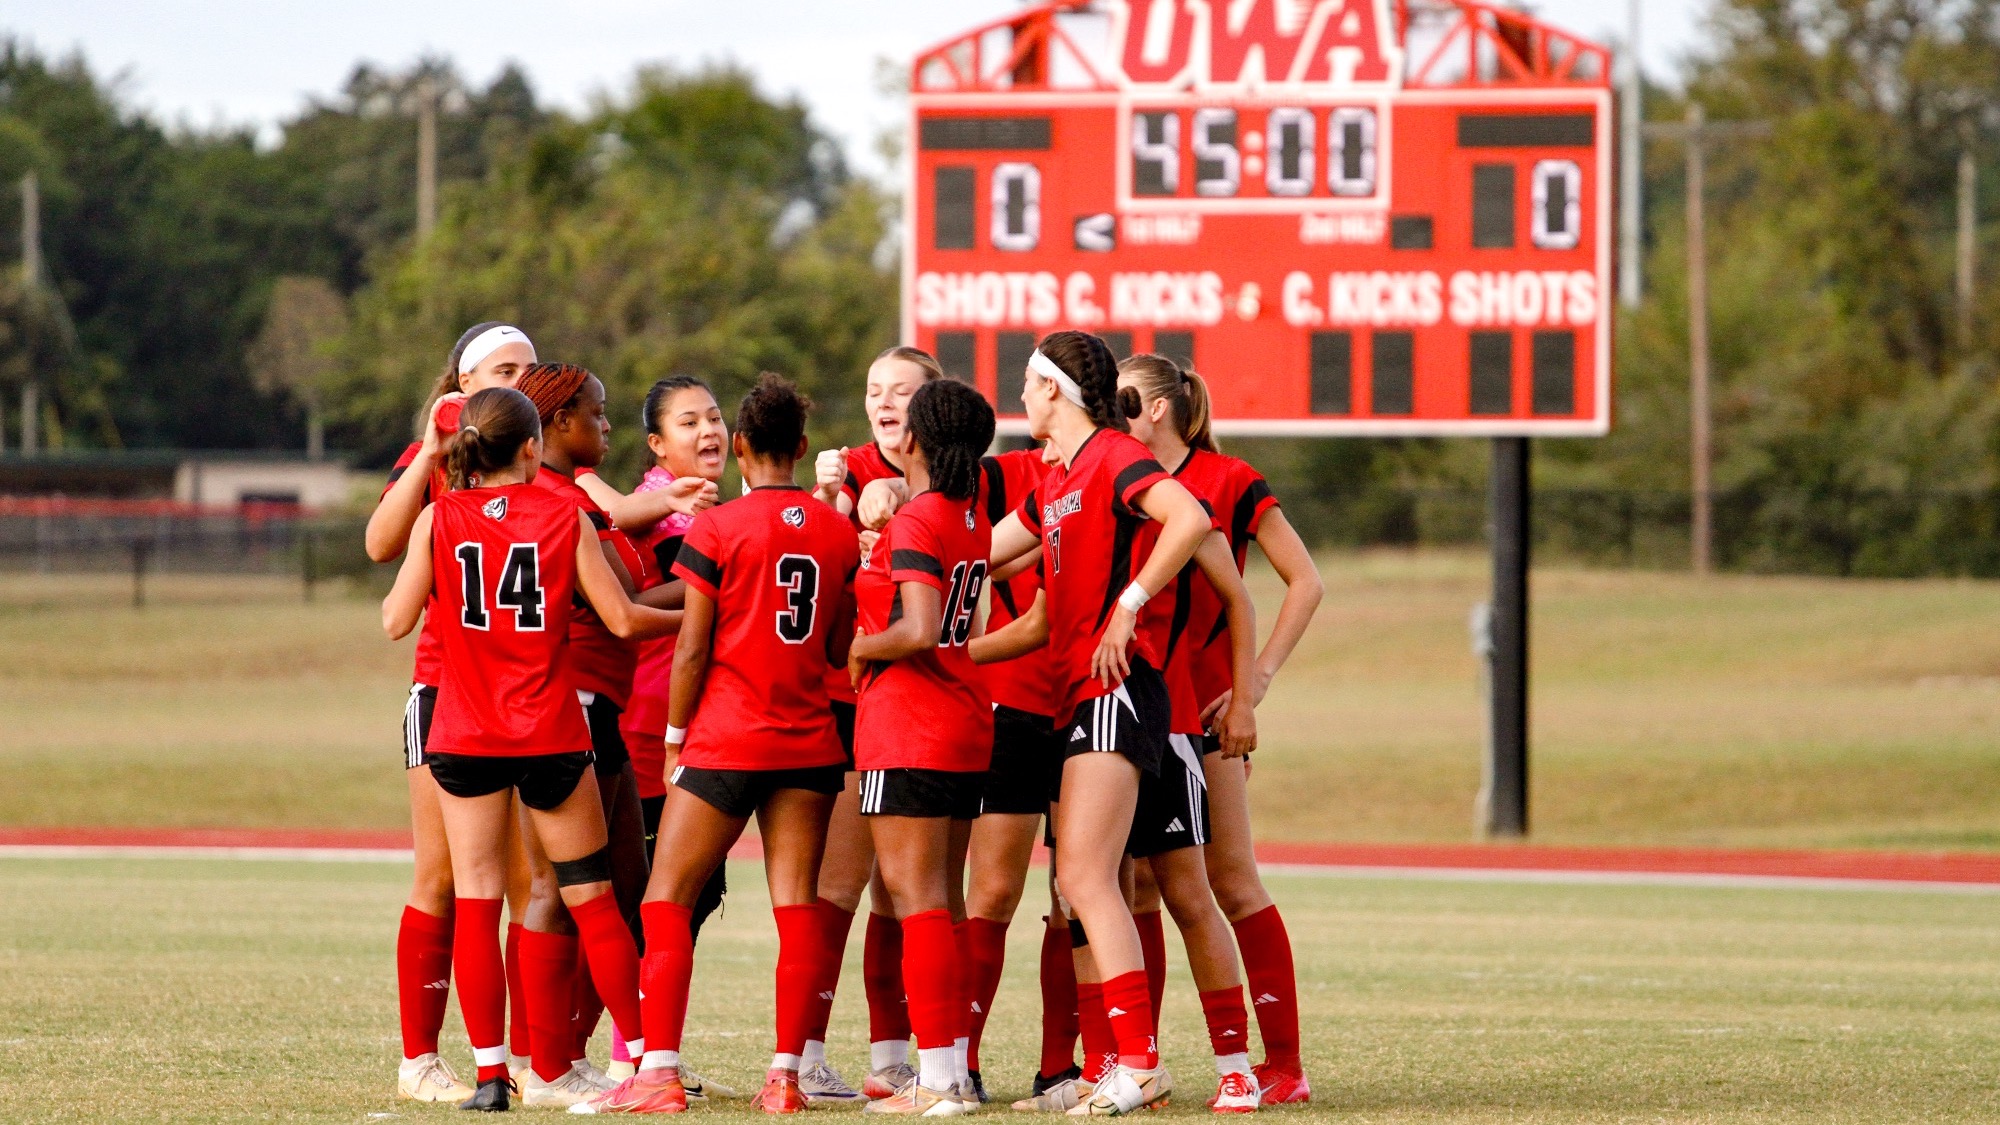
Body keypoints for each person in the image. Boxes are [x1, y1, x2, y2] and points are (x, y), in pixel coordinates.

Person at [978, 331, 1256, 1116]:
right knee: (1102, 883)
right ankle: (1127, 1062)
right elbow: (993, 563)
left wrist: (1128, 608)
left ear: (1055, 389)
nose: (1022, 398)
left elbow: (1191, 515)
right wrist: (930, 608)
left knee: (1091, 879)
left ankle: (1143, 1061)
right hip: (1086, 697)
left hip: (1123, 693)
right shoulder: (1057, 479)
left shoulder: (1109, 456)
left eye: (1029, 384)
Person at [381, 386, 679, 1111]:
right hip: (548, 730)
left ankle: (490, 1076)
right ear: (530, 447)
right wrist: (705, 609)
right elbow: (624, 618)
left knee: (478, 901)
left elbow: (395, 620)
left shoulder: (437, 516)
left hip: (464, 733)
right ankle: (646, 1068)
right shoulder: (563, 515)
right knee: (594, 899)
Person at [585, 374, 861, 1116]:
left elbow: (692, 650)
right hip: (809, 741)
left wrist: (674, 738)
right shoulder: (838, 530)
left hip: (726, 738)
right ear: (801, 448)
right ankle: (785, 1077)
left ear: (739, 446)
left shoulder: (717, 527)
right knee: (796, 906)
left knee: (666, 899)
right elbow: (837, 645)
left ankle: (660, 1073)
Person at [1115, 356, 1323, 1105]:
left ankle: (1283, 1064)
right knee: (1132, 884)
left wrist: (1252, 684)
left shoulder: (1229, 479)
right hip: (1134, 706)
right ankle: (1141, 1061)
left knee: (1227, 879)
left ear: (1159, 408)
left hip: (1201, 712)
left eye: (1122, 399)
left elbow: (1306, 580)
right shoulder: (1118, 477)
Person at [364, 321, 535, 1103]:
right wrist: (432, 454)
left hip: (531, 692)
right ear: (462, 387)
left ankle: (533, 1057)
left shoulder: (539, 457)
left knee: (531, 879)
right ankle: (420, 1058)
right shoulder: (436, 462)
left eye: (529, 369)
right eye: (505, 369)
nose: (520, 380)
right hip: (447, 686)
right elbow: (378, 544)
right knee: (444, 875)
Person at [576, 375, 736, 1097]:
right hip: (646, 726)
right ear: (656, 444)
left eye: (714, 416)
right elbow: (639, 599)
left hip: (698, 730)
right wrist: (726, 590)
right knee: (653, 896)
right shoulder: (651, 509)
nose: (708, 429)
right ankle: (627, 1053)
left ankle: (638, 1047)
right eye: (688, 420)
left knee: (688, 894)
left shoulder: (709, 510)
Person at [507, 362, 661, 1106]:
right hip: (571, 704)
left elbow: (631, 597)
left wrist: (722, 576)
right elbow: (624, 616)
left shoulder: (577, 502)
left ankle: (582, 1055)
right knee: (563, 887)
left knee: (623, 884)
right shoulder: (553, 503)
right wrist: (722, 611)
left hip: (606, 708)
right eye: (597, 414)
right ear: (559, 421)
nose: (606, 426)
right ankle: (560, 1059)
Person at [845, 379, 996, 1115]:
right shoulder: (970, 515)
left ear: (915, 441)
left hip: (911, 721)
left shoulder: (919, 517)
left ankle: (936, 1081)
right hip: (964, 717)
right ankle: (956, 1069)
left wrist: (859, 646)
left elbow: (920, 627)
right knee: (948, 901)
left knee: (918, 900)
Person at [800, 346, 941, 1103]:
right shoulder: (843, 473)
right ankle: (806, 1052)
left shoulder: (949, 476)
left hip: (926, 703)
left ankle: (893, 1059)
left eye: (902, 391)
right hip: (853, 701)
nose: (884, 402)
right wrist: (833, 512)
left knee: (902, 890)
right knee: (843, 881)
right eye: (873, 390)